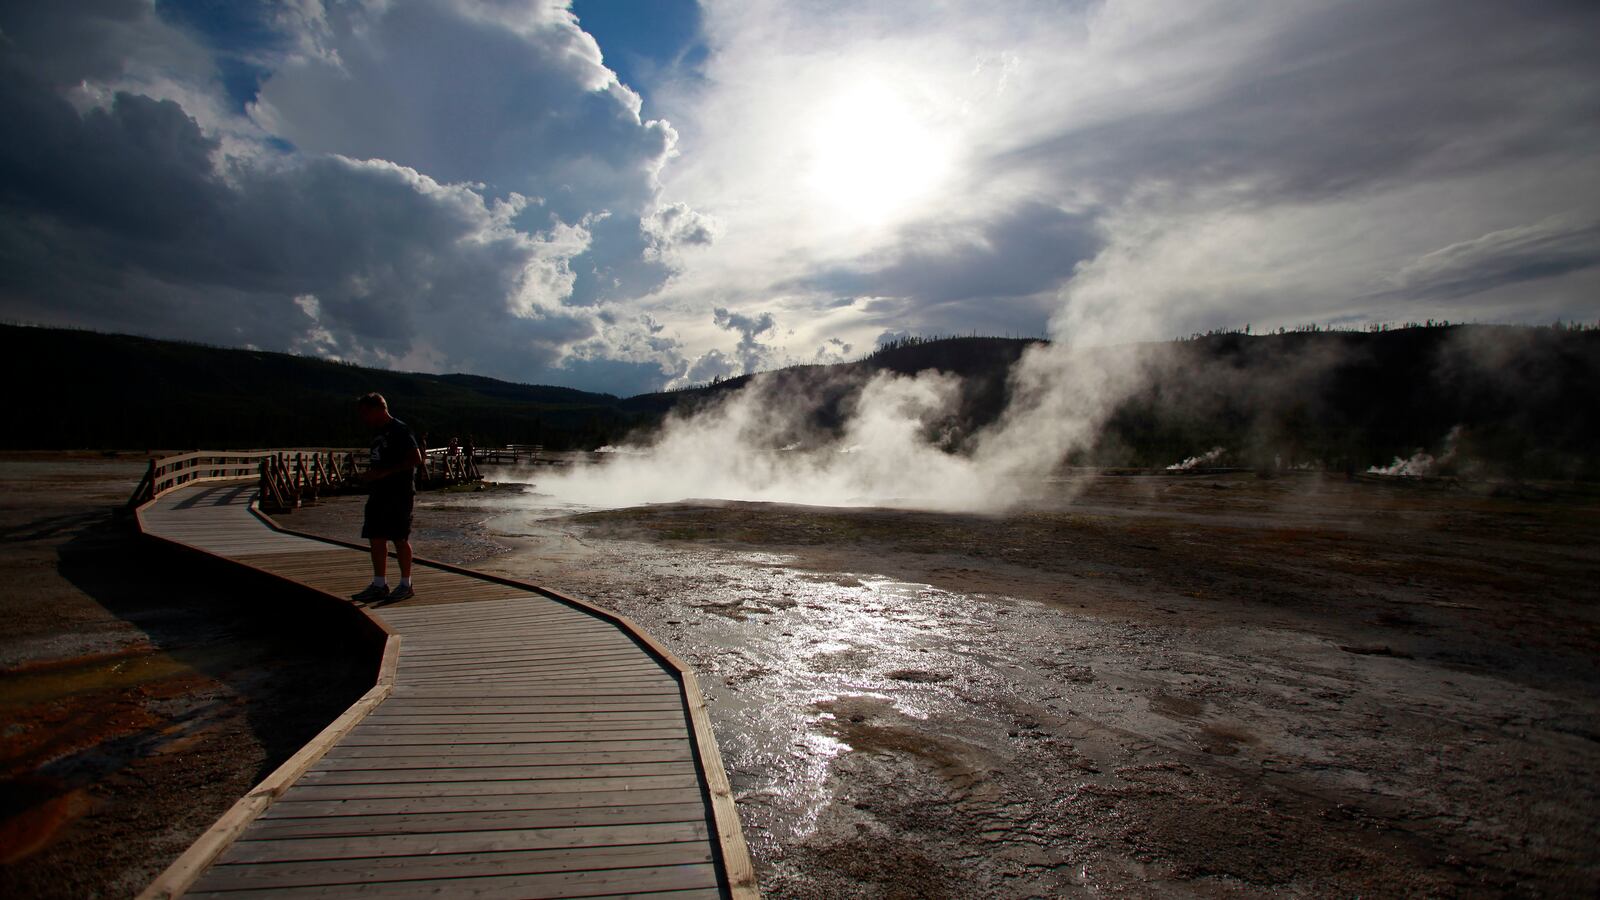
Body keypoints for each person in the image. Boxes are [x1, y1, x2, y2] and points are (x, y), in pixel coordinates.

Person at [351, 393, 424, 604]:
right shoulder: (378, 432)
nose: (363, 417)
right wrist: (370, 476)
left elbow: (416, 458)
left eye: (366, 412)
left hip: (399, 492)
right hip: (379, 491)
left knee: (399, 537)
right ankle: (379, 584)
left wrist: (384, 473)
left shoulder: (400, 430)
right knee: (375, 536)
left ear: (379, 409)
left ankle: (405, 584)